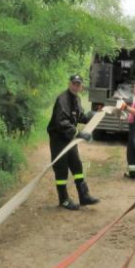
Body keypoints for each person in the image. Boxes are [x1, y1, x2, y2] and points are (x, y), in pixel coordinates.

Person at [46, 74, 100, 211]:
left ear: (81, 87)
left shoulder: (77, 99)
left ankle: (84, 196)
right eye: (74, 84)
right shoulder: (62, 99)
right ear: (69, 84)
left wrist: (91, 115)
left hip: (69, 139)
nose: (76, 87)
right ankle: (63, 199)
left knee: (77, 166)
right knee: (61, 169)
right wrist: (77, 133)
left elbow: (79, 117)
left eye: (78, 84)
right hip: (59, 139)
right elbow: (61, 122)